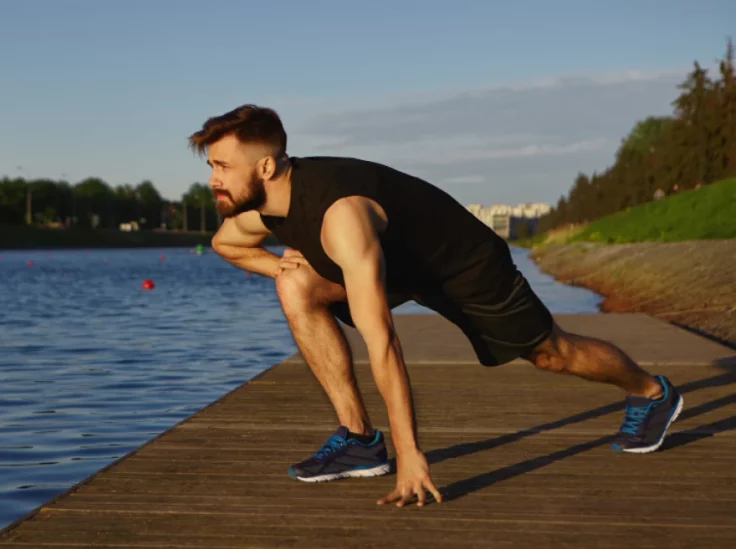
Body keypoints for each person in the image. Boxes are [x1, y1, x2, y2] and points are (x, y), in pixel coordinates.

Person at [187, 104, 684, 509]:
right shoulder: (266, 209)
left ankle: (650, 392)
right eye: (211, 165)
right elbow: (226, 244)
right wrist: (280, 267)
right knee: (294, 286)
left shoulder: (340, 217)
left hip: (463, 266)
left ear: (267, 166)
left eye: (223, 166)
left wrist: (411, 455)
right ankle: (359, 440)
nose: (213, 178)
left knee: (550, 352)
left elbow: (382, 341)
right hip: (400, 264)